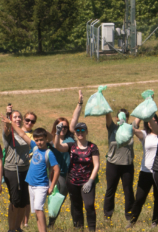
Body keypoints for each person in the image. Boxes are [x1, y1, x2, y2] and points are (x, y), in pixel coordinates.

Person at [54, 91, 100, 232]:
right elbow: (58, 146)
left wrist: (91, 181)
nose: (80, 133)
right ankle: (78, 228)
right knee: (76, 206)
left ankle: (92, 229)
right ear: (75, 133)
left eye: (82, 130)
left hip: (87, 182)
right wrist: (57, 133)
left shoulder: (92, 147)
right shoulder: (71, 145)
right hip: (72, 181)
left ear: (86, 132)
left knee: (89, 205)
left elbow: (97, 165)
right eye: (78, 131)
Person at [3, 119, 60, 232]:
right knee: (36, 212)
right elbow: (22, 134)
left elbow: (56, 170)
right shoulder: (34, 147)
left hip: (41, 186)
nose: (39, 142)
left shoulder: (49, 153)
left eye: (41, 140)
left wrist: (52, 186)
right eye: (37, 140)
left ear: (46, 139)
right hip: (31, 185)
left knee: (39, 209)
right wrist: (11, 123)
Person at [127, 113, 158, 228]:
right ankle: (132, 221)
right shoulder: (144, 134)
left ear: (157, 121)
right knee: (140, 198)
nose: (152, 123)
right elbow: (133, 130)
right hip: (145, 171)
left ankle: (155, 222)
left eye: (154, 120)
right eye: (149, 121)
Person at [1, 106, 31, 232]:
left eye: (19, 117)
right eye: (15, 117)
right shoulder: (9, 132)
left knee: (24, 201)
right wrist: (8, 117)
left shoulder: (25, 132)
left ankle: (18, 227)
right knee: (15, 200)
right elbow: (7, 129)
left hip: (26, 169)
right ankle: (11, 229)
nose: (17, 119)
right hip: (12, 170)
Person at [103, 107, 134, 223]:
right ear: (117, 118)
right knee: (110, 190)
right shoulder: (112, 128)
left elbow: (140, 118)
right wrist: (105, 106)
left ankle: (130, 216)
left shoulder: (130, 128)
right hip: (113, 164)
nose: (123, 118)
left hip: (127, 164)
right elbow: (107, 116)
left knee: (128, 191)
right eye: (121, 116)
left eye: (125, 117)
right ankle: (107, 216)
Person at [46, 116, 75, 228]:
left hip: (68, 174)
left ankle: (76, 225)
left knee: (67, 199)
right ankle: (50, 224)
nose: (63, 129)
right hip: (55, 174)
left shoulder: (70, 140)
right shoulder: (50, 140)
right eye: (60, 126)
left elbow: (74, 119)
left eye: (65, 127)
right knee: (55, 198)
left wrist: (80, 103)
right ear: (56, 126)